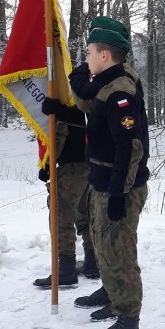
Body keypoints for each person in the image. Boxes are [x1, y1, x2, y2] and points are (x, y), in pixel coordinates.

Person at [71, 24, 150, 329]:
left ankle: (129, 328)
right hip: (103, 180)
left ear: (105, 55)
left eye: (89, 53)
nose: (85, 58)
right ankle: (119, 311)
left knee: (120, 255)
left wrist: (119, 192)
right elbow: (93, 110)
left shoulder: (120, 92)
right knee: (106, 251)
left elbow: (130, 147)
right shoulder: (106, 84)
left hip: (120, 186)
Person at [32, 100, 93, 289]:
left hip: (73, 166)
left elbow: (61, 132)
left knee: (61, 216)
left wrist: (48, 162)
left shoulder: (66, 95)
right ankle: (93, 263)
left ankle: (65, 271)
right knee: (85, 214)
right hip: (90, 163)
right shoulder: (86, 94)